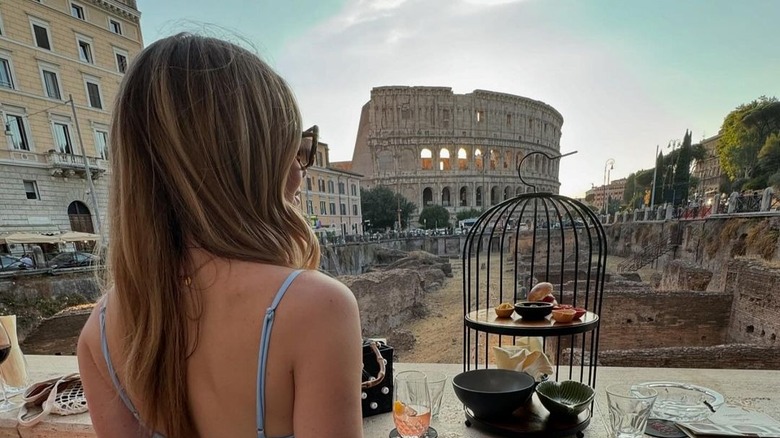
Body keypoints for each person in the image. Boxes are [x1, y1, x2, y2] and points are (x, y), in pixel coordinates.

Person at [77, 34, 364, 438]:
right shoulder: (317, 308)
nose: (301, 171)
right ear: (247, 161)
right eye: (293, 150)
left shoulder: (99, 331)